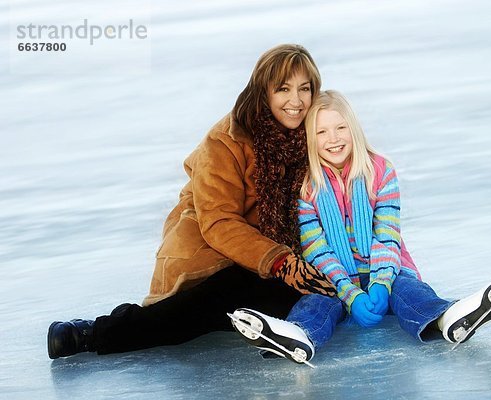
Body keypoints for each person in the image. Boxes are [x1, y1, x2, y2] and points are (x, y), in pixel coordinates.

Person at [46, 44, 344, 359]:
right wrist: (281, 262)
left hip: (269, 264)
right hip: (213, 256)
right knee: (211, 302)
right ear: (263, 92)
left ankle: (281, 333)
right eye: (283, 89)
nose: (295, 101)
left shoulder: (315, 134)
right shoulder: (226, 140)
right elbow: (219, 222)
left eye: (304, 89)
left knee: (305, 291)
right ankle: (92, 333)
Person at [229, 90, 491, 365]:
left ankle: (447, 317)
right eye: (321, 132)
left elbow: (387, 235)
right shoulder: (306, 187)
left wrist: (381, 282)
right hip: (333, 278)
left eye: (340, 128)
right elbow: (317, 251)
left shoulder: (381, 172)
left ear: (353, 129)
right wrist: (349, 293)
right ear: (309, 139)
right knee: (316, 303)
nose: (333, 138)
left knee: (410, 292)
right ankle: (296, 336)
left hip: (387, 269)